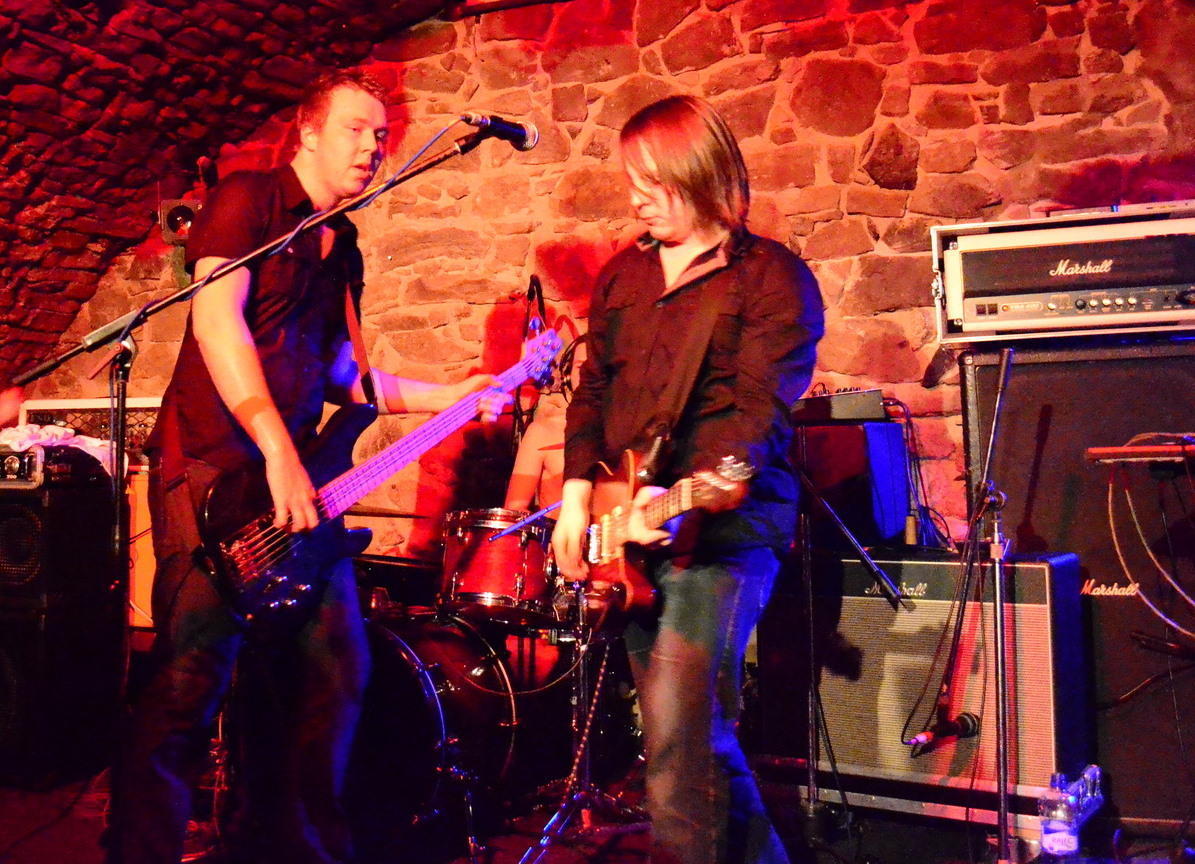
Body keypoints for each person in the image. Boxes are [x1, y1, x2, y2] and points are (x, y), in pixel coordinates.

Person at [107, 68, 507, 864]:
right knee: (188, 687)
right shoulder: (247, 200)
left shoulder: (342, 245)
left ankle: (288, 849)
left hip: (291, 493)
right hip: (211, 469)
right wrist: (279, 452)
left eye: (380, 134)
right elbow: (217, 321)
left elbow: (343, 376)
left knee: (332, 673)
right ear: (310, 133)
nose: (373, 146)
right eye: (356, 129)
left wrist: (451, 394)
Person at [551, 95, 824, 864]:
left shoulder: (772, 280)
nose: (634, 197)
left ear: (698, 174)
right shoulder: (623, 278)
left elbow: (753, 426)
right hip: (629, 537)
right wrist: (577, 497)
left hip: (723, 537)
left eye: (651, 181)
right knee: (691, 740)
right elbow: (592, 393)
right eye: (630, 180)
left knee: (675, 745)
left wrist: (677, 498)